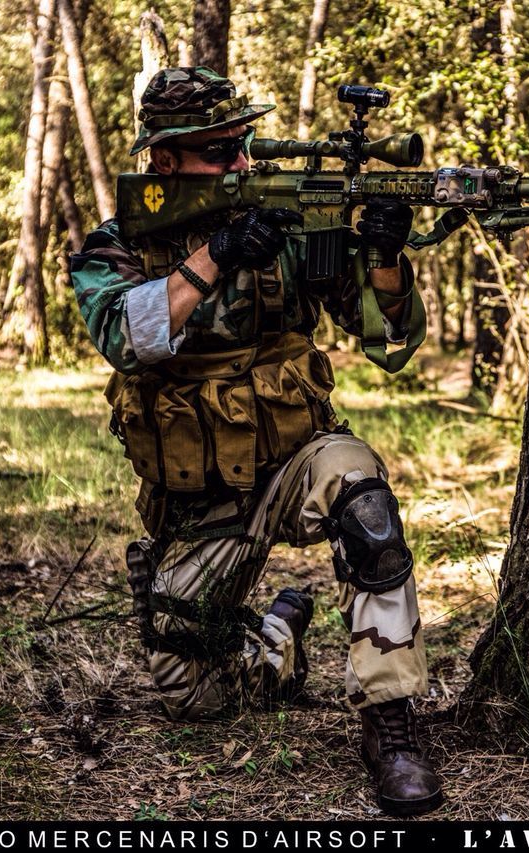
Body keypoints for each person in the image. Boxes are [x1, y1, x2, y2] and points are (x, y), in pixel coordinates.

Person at [69, 67, 442, 815]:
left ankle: (391, 727)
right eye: (221, 151)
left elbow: (390, 343)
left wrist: (387, 260)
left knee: (365, 500)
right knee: (191, 693)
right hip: (200, 498)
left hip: (295, 462)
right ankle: (277, 638)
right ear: (165, 160)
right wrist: (219, 254)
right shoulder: (118, 243)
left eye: (246, 145)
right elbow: (125, 335)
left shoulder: (290, 228)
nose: (241, 162)